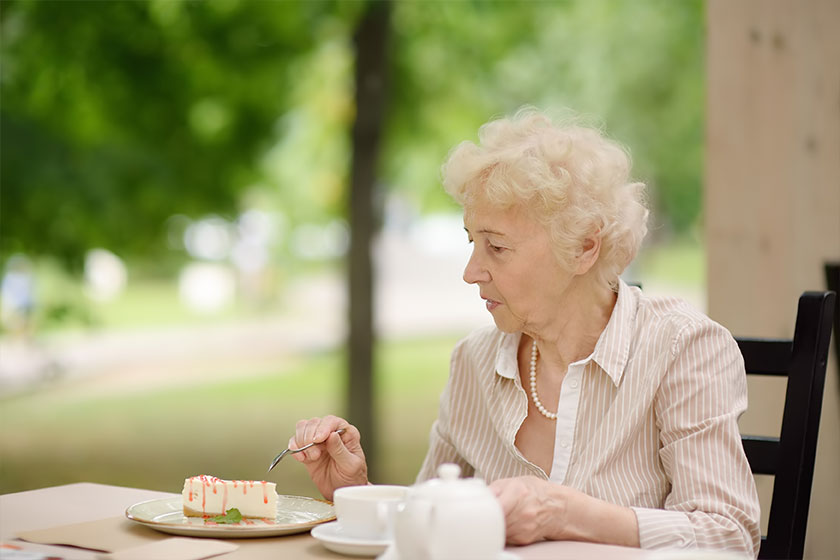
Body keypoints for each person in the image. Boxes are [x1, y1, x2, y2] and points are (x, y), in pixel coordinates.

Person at [288, 109, 760, 556]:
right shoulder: (473, 362)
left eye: (497, 247)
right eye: (473, 242)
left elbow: (728, 536)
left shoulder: (683, 349)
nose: (471, 272)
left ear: (584, 248)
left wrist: (567, 513)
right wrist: (358, 495)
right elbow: (433, 528)